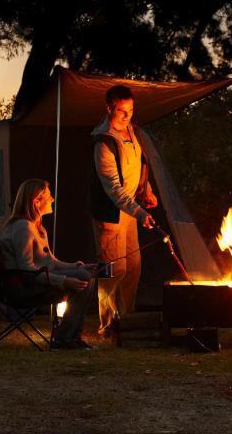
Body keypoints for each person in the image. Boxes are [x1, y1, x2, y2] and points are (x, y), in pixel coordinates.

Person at [89, 85, 158, 339]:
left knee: (134, 267)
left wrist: (146, 191)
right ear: (109, 108)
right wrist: (139, 212)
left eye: (130, 110)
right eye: (122, 111)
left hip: (130, 212)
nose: (127, 116)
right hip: (110, 214)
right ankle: (107, 325)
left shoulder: (132, 132)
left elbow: (138, 167)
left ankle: (126, 320)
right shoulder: (104, 141)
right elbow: (113, 189)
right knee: (112, 269)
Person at [0, 178, 96, 349]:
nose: (52, 199)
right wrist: (63, 281)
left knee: (85, 276)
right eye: (48, 196)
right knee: (84, 280)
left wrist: (77, 266)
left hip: (35, 278)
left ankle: (71, 336)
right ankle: (65, 338)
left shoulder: (38, 227)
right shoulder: (23, 228)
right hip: (22, 285)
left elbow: (50, 261)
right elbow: (26, 271)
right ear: (36, 201)